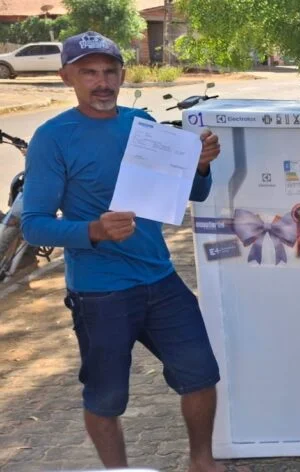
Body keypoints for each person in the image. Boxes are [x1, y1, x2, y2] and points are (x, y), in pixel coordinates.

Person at [20, 32, 229, 472]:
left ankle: (202, 463)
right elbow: (33, 222)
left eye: (109, 71)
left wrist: (201, 165)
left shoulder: (142, 124)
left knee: (201, 374)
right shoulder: (52, 138)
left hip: (160, 278)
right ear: (66, 78)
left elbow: (192, 193)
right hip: (100, 291)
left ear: (122, 75)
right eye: (89, 72)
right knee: (107, 396)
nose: (101, 82)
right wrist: (92, 230)